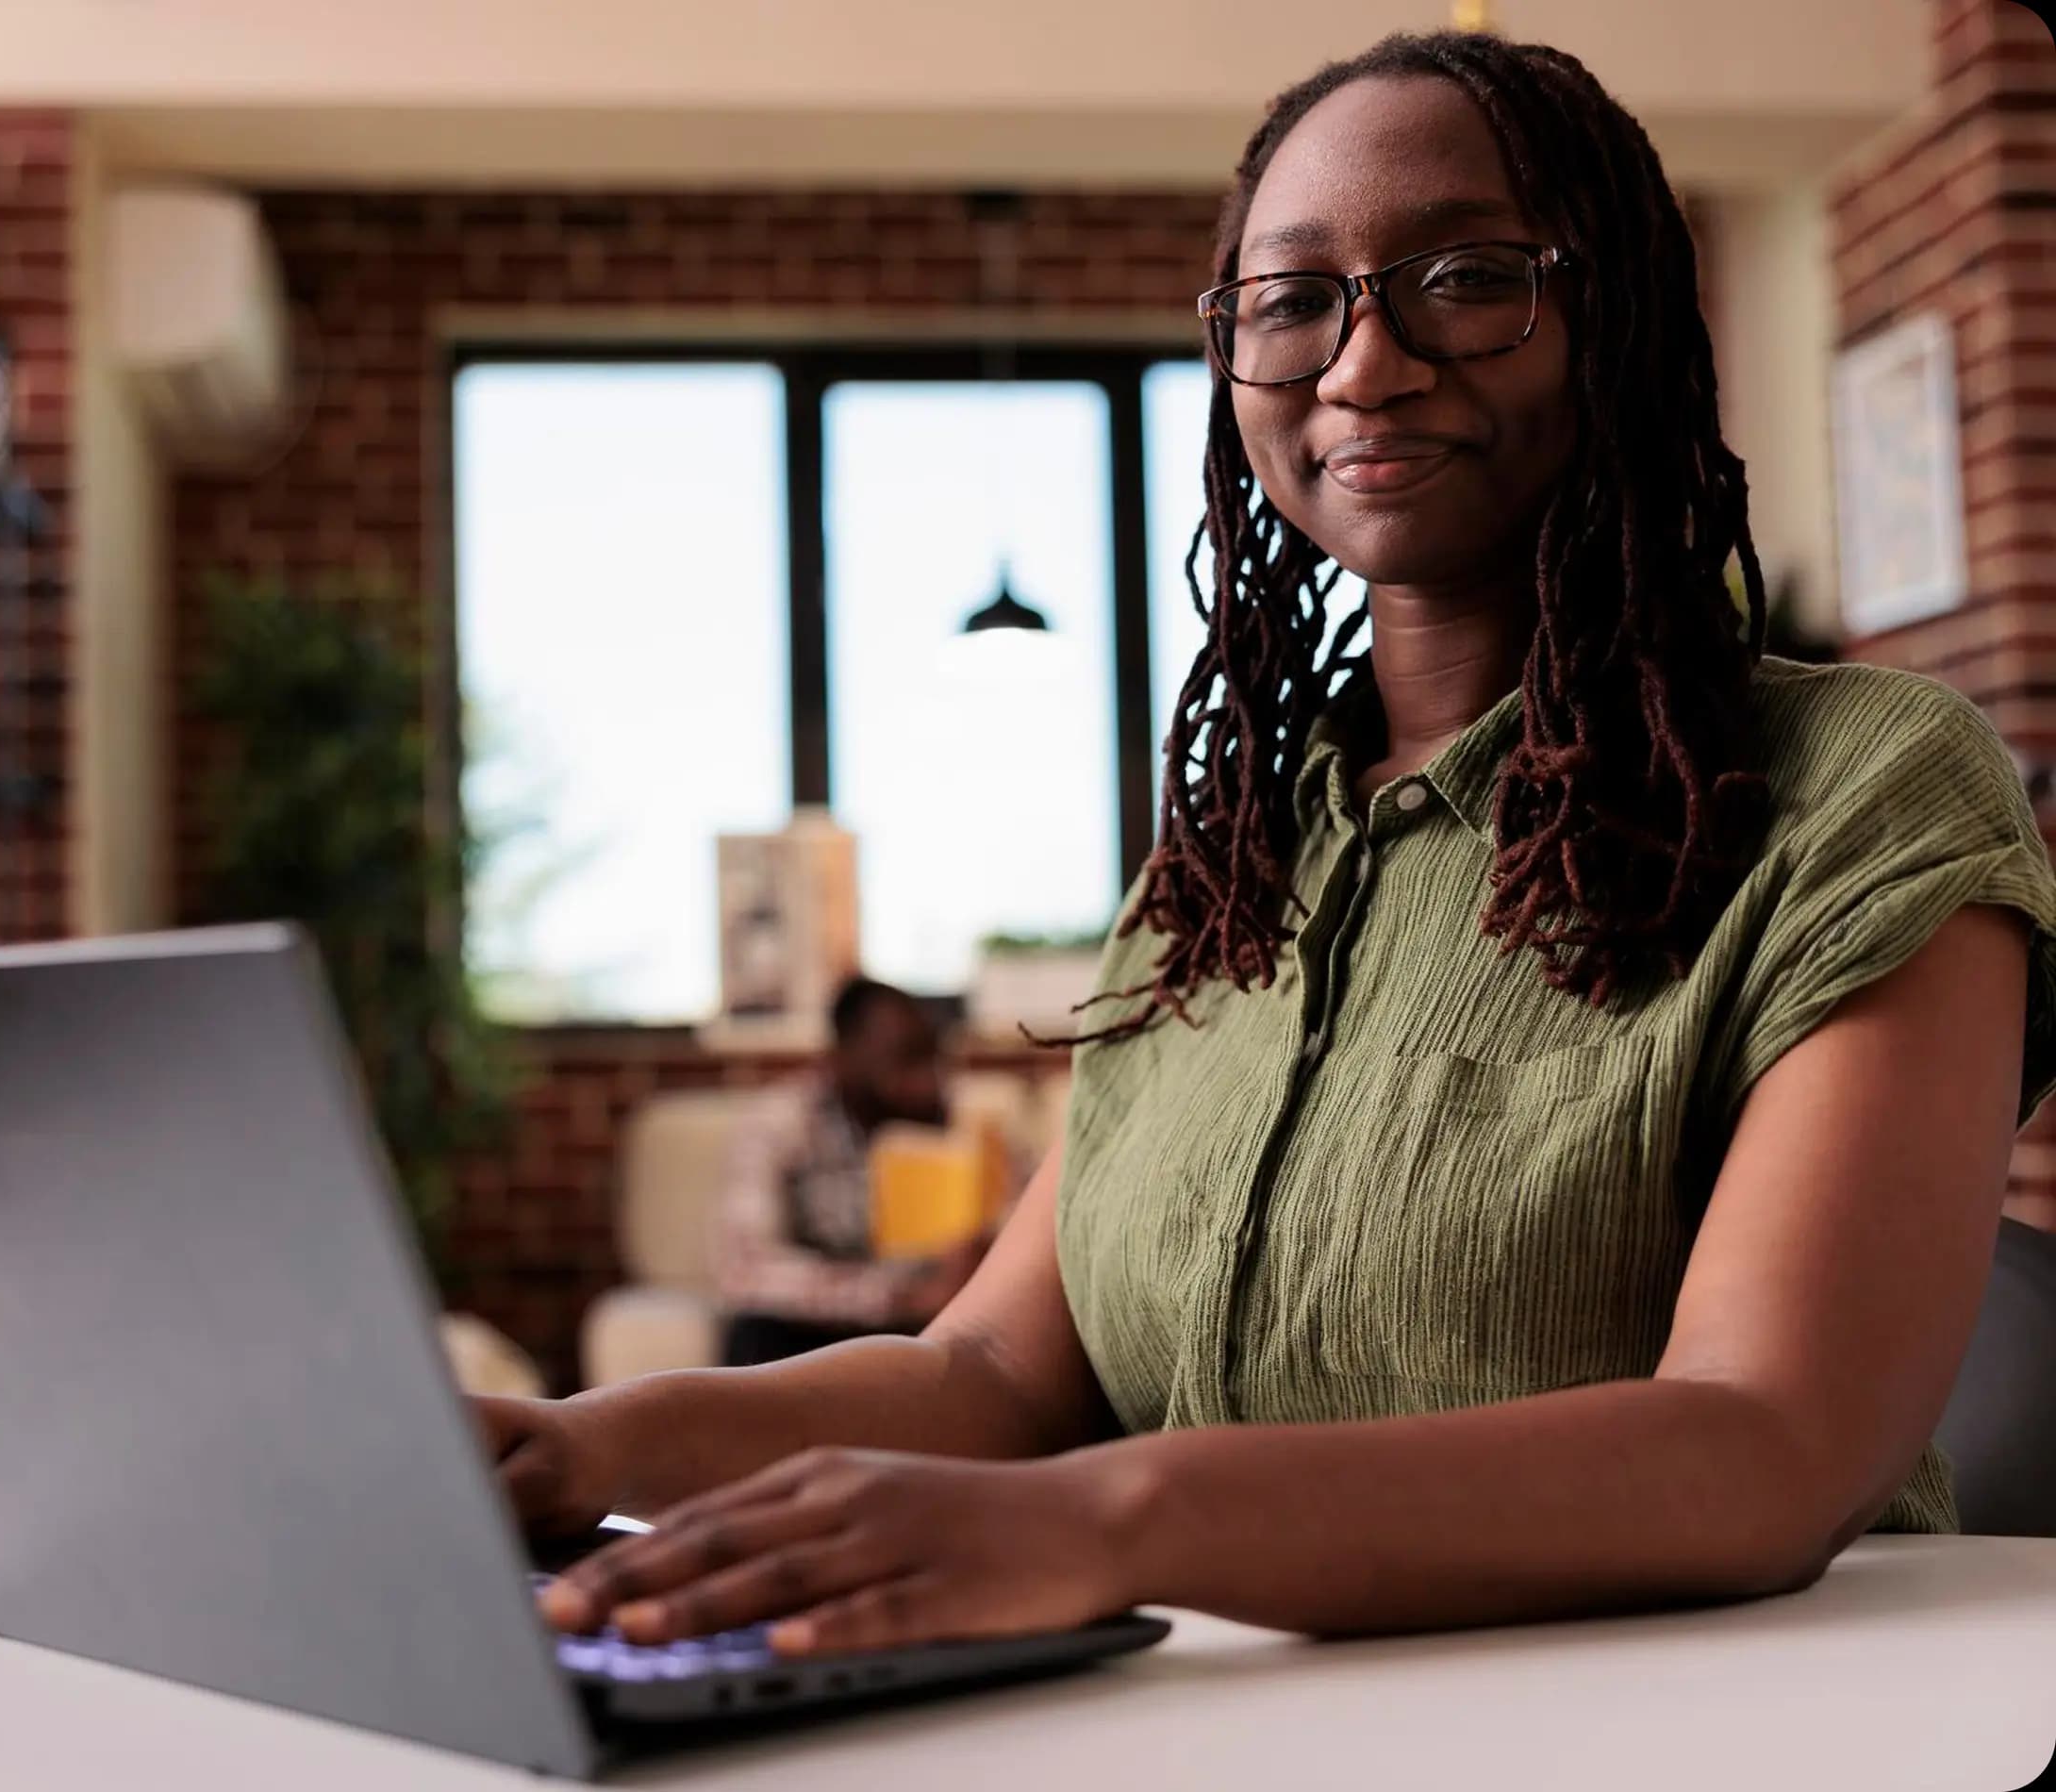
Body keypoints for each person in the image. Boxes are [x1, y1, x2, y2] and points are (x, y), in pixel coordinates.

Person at [483, 30, 2056, 1659]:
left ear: (1618, 323)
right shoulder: (1218, 869)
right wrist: (582, 1447)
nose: (1362, 365)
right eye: (1292, 301)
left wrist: (1114, 1519)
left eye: (1461, 277)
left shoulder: (1853, 786)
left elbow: (1762, 1446)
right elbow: (994, 1376)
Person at [713, 976, 983, 1367]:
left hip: (919, 1323)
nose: (927, 1082)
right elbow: (746, 1271)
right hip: (817, 1326)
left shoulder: (953, 1121)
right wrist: (898, 1296)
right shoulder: (780, 1124)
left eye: (932, 1058)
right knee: (755, 1331)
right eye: (905, 1058)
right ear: (844, 1055)